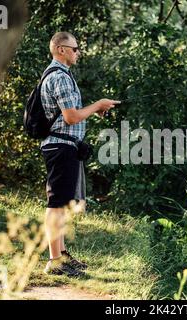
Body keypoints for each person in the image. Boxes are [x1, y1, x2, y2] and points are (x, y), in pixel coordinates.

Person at [40, 31, 120, 276]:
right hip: (60, 147)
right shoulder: (60, 77)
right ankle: (54, 262)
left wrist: (92, 112)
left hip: (65, 146)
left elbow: (71, 115)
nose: (78, 53)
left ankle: (61, 255)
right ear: (61, 49)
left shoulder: (63, 75)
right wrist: (97, 105)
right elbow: (71, 116)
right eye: (75, 49)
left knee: (62, 204)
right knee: (56, 204)